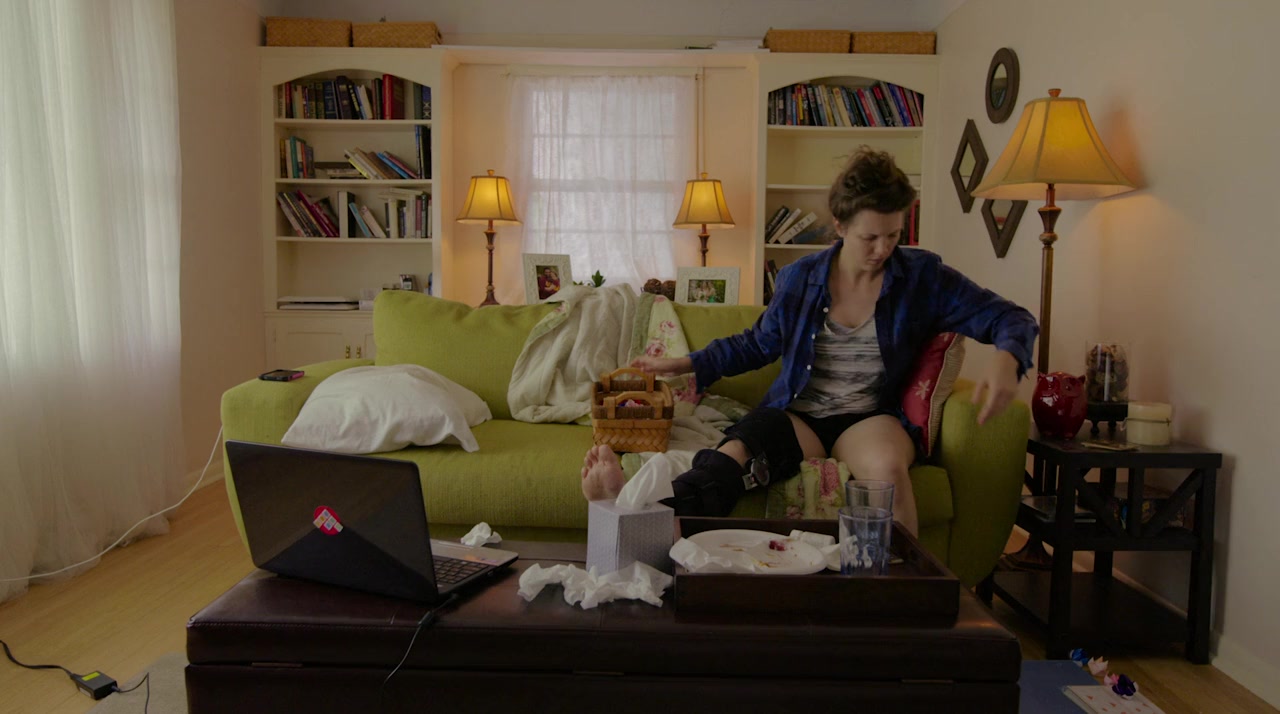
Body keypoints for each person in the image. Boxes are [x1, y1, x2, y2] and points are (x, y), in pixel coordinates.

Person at [581, 146, 1038, 535]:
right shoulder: (800, 278)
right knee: (733, 454)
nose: (883, 250)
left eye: (894, 235)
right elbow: (759, 344)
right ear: (839, 225)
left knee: (887, 474)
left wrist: (1006, 358)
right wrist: (686, 363)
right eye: (870, 237)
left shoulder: (923, 277)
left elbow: (1009, 317)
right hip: (801, 415)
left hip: (870, 419)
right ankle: (644, 520)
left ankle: (898, 590)